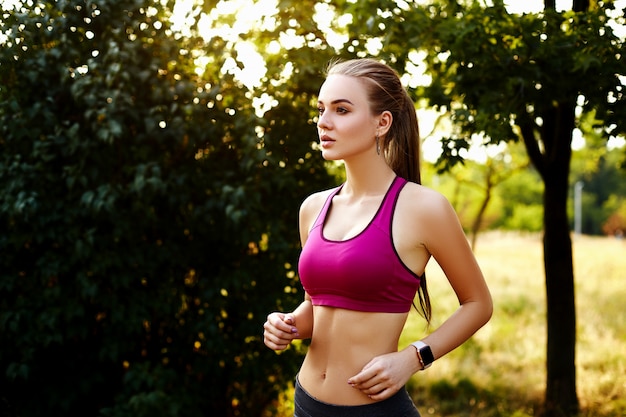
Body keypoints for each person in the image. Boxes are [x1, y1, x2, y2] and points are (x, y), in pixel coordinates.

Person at [263, 58, 493, 417]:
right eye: (322, 109)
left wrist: (413, 358)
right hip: (306, 403)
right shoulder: (313, 208)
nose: (324, 121)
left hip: (375, 411)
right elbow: (320, 308)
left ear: (381, 122)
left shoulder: (424, 209)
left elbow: (478, 304)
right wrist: (288, 324)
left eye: (342, 110)